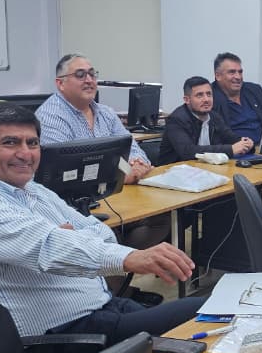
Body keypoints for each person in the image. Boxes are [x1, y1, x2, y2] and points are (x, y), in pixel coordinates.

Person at [0, 103, 204, 342]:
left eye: (32, 143)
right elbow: (52, 248)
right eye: (10, 143)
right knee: (202, 312)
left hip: (99, 309)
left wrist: (69, 239)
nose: (25, 153)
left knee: (203, 323)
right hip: (59, 337)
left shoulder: (32, 190)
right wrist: (130, 257)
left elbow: (99, 231)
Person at [34, 53, 167, 249]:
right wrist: (123, 174)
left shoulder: (105, 113)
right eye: (80, 75)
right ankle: (115, 260)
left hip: (109, 198)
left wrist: (135, 166)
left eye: (92, 74)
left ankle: (119, 262)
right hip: (69, 206)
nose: (89, 80)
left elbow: (134, 150)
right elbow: (63, 173)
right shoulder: (51, 117)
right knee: (109, 234)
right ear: (60, 83)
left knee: (160, 219)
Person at [159, 76, 254, 165]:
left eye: (209, 94)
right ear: (187, 100)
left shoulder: (214, 116)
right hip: (175, 170)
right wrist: (231, 149)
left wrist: (245, 143)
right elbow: (188, 152)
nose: (206, 99)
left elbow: (230, 137)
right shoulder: (176, 119)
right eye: (199, 95)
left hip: (206, 168)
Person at [210, 52, 262, 144]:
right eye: (232, 72)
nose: (238, 77)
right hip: (235, 150)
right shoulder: (209, 98)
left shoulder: (254, 90)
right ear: (218, 76)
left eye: (240, 72)